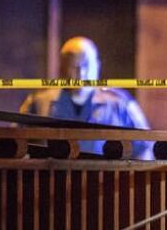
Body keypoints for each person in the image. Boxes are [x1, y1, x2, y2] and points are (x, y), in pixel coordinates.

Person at [20, 36, 153, 159]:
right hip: (52, 181)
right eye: (74, 66)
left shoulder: (119, 103)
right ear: (61, 68)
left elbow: (144, 148)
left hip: (106, 181)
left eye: (86, 65)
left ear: (97, 66)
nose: (81, 73)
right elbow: (16, 144)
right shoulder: (39, 102)